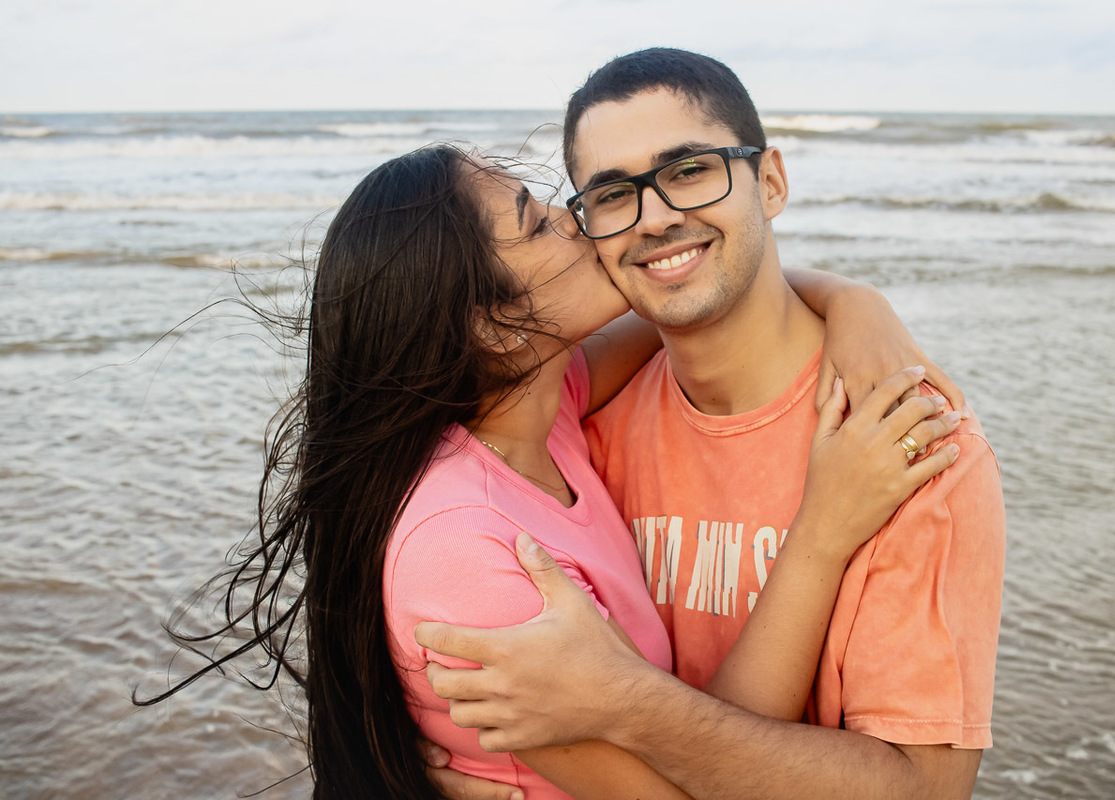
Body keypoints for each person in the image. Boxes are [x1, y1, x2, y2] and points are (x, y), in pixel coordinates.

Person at [136, 144, 961, 797]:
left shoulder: (539, 408)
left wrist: (858, 303)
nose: (581, 223)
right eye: (538, 225)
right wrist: (825, 529)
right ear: (492, 330)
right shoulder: (468, 560)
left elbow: (710, 298)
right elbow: (707, 782)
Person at [417, 48, 1006, 800]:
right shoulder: (573, 429)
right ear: (590, 228)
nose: (656, 218)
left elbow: (925, 791)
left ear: (770, 181)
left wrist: (857, 302)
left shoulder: (908, 446)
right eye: (614, 194)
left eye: (690, 170)